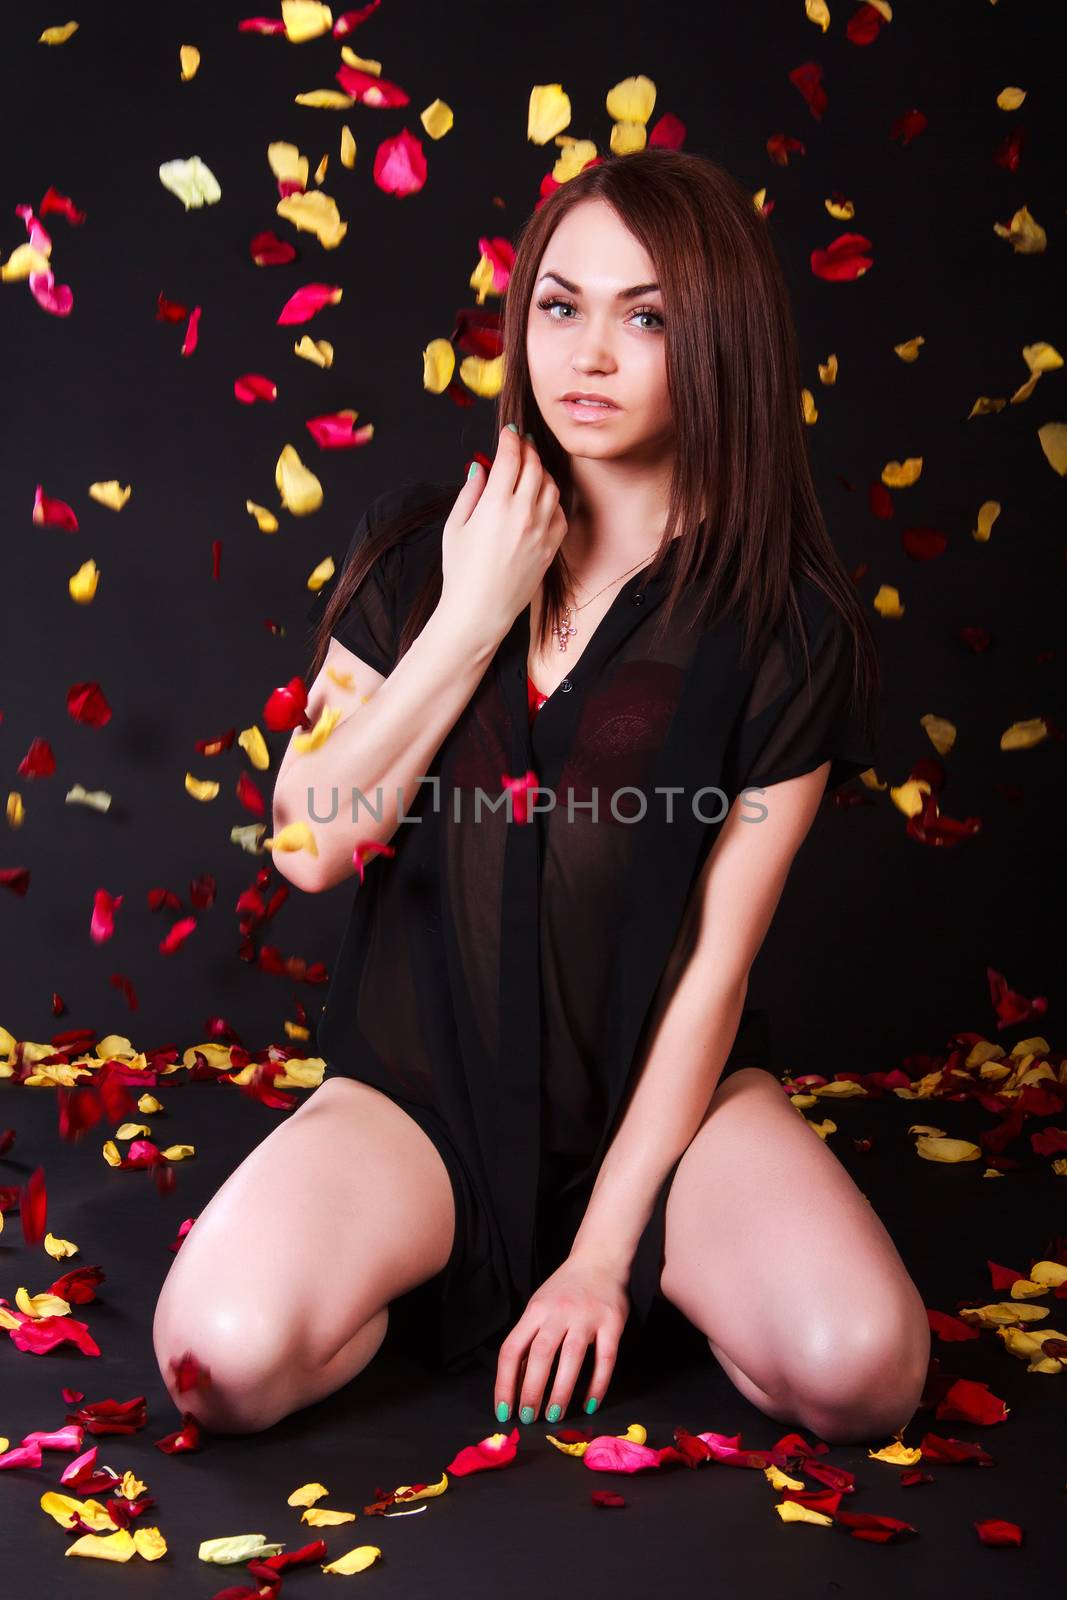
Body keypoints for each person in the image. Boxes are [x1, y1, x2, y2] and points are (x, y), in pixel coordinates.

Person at [153, 149, 930, 1445]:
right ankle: (420, 1266)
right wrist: (470, 618)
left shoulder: (784, 627)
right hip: (419, 1095)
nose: (593, 352)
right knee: (220, 1361)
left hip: (672, 1106)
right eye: (562, 306)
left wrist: (602, 1254)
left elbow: (713, 972)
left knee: (863, 1372)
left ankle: (660, 1276)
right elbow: (304, 850)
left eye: (649, 316)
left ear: (719, 341)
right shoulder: (420, 550)